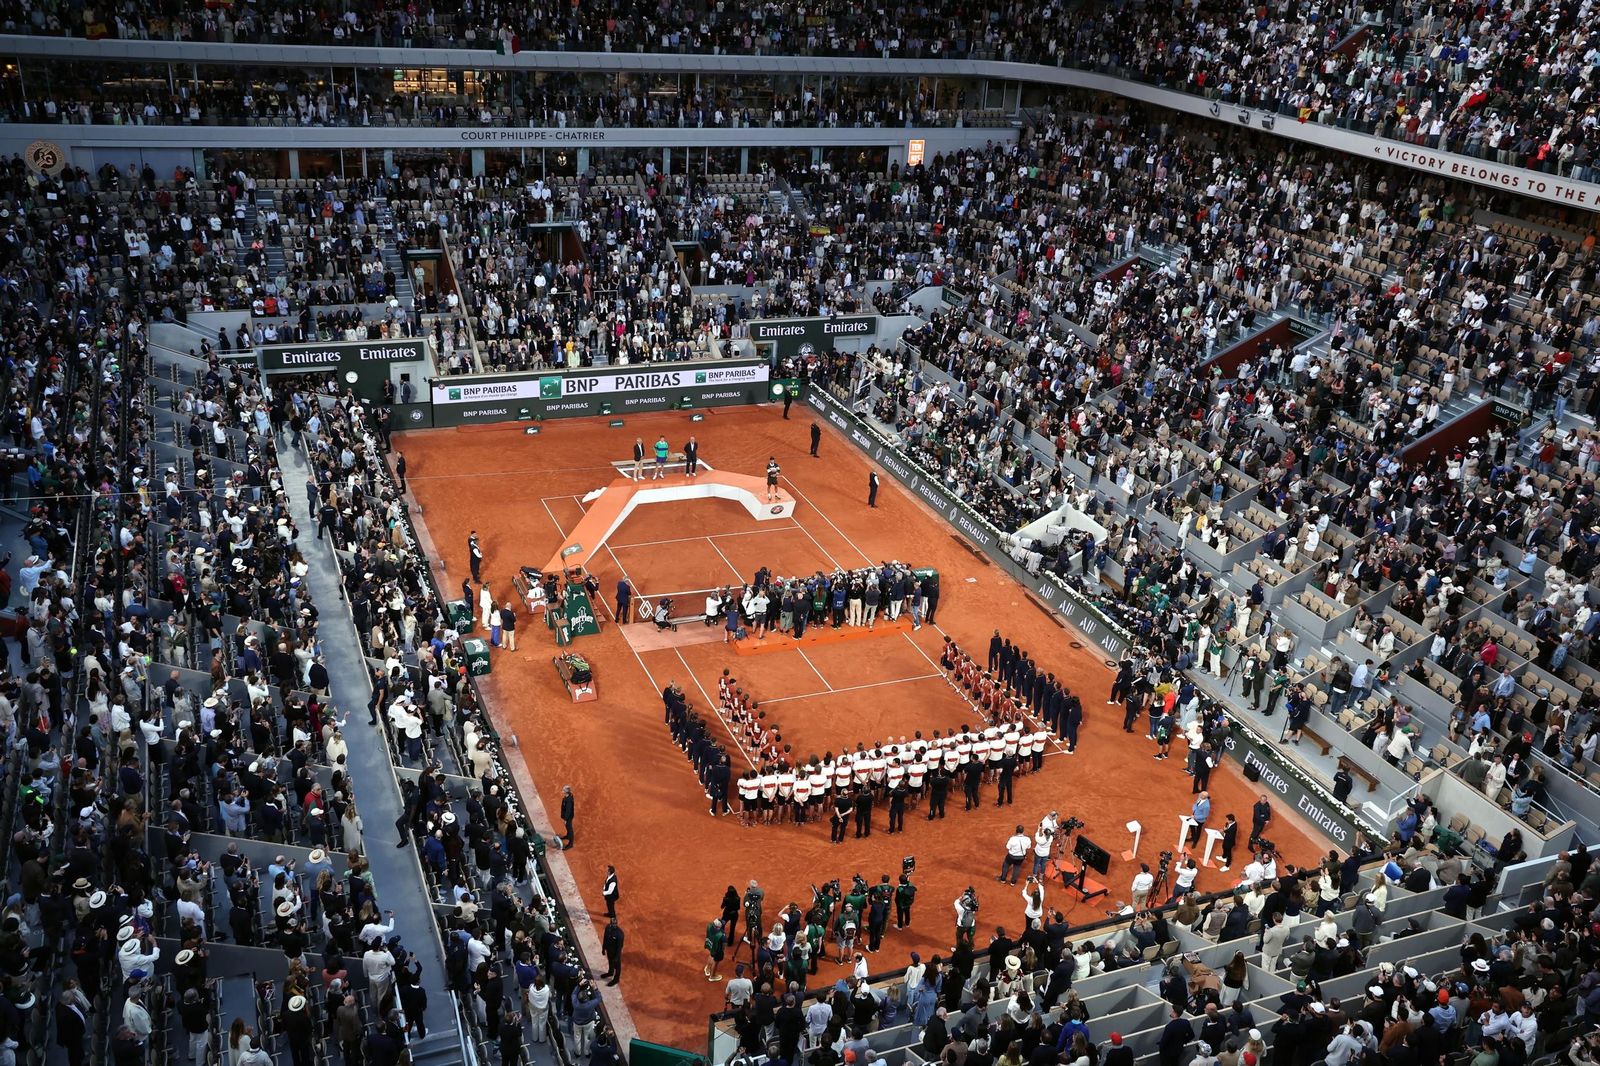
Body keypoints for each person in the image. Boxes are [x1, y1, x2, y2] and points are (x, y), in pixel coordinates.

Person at [600, 918, 624, 985]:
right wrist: (603, 948)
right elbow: (605, 938)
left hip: (615, 953)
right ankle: (610, 972)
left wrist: (617, 957)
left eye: (615, 924)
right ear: (610, 923)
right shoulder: (608, 928)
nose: (613, 925)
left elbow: (619, 947)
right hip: (609, 950)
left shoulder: (619, 934)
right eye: (612, 923)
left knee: (617, 967)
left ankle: (616, 979)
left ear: (616, 924)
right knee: (610, 962)